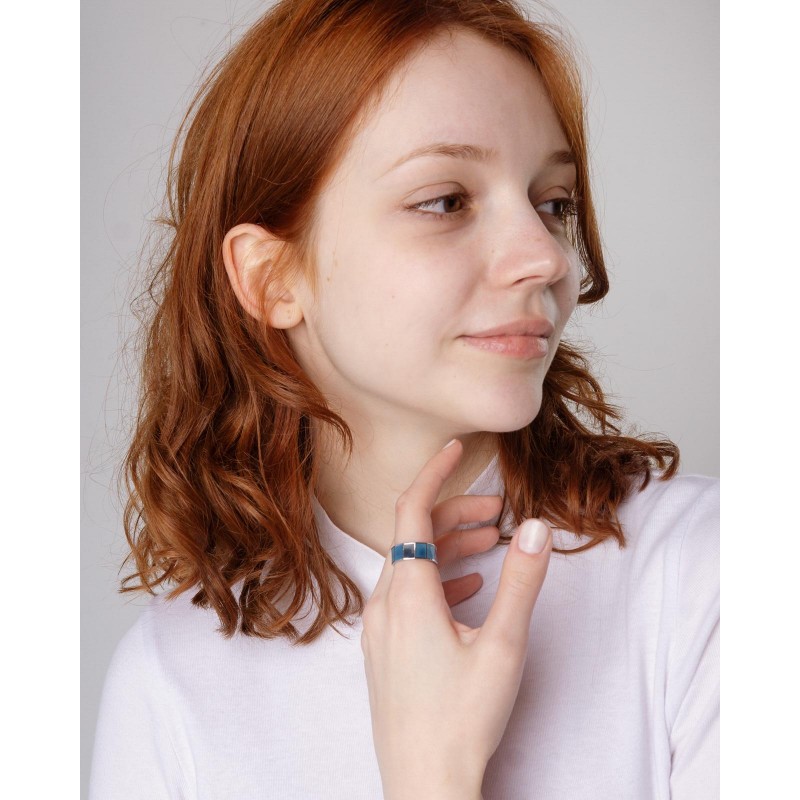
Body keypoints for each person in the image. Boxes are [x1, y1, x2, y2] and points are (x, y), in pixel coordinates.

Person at [89, 0, 719, 798]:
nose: (545, 257)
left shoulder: (708, 577)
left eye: (553, 203)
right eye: (446, 200)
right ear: (271, 278)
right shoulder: (172, 678)